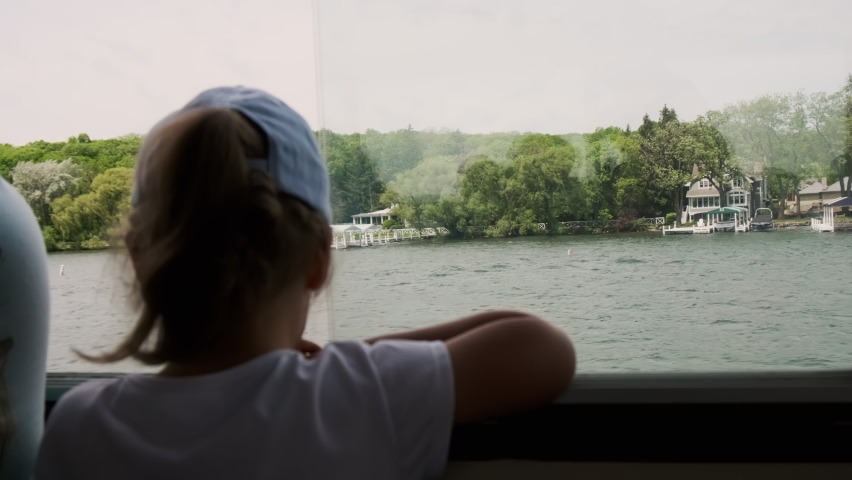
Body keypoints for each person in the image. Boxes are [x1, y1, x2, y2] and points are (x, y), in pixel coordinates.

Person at [34, 87, 575, 479]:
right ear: (318, 260)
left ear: (138, 260)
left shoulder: (80, 427)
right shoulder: (356, 394)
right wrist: (347, 358)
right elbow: (540, 346)